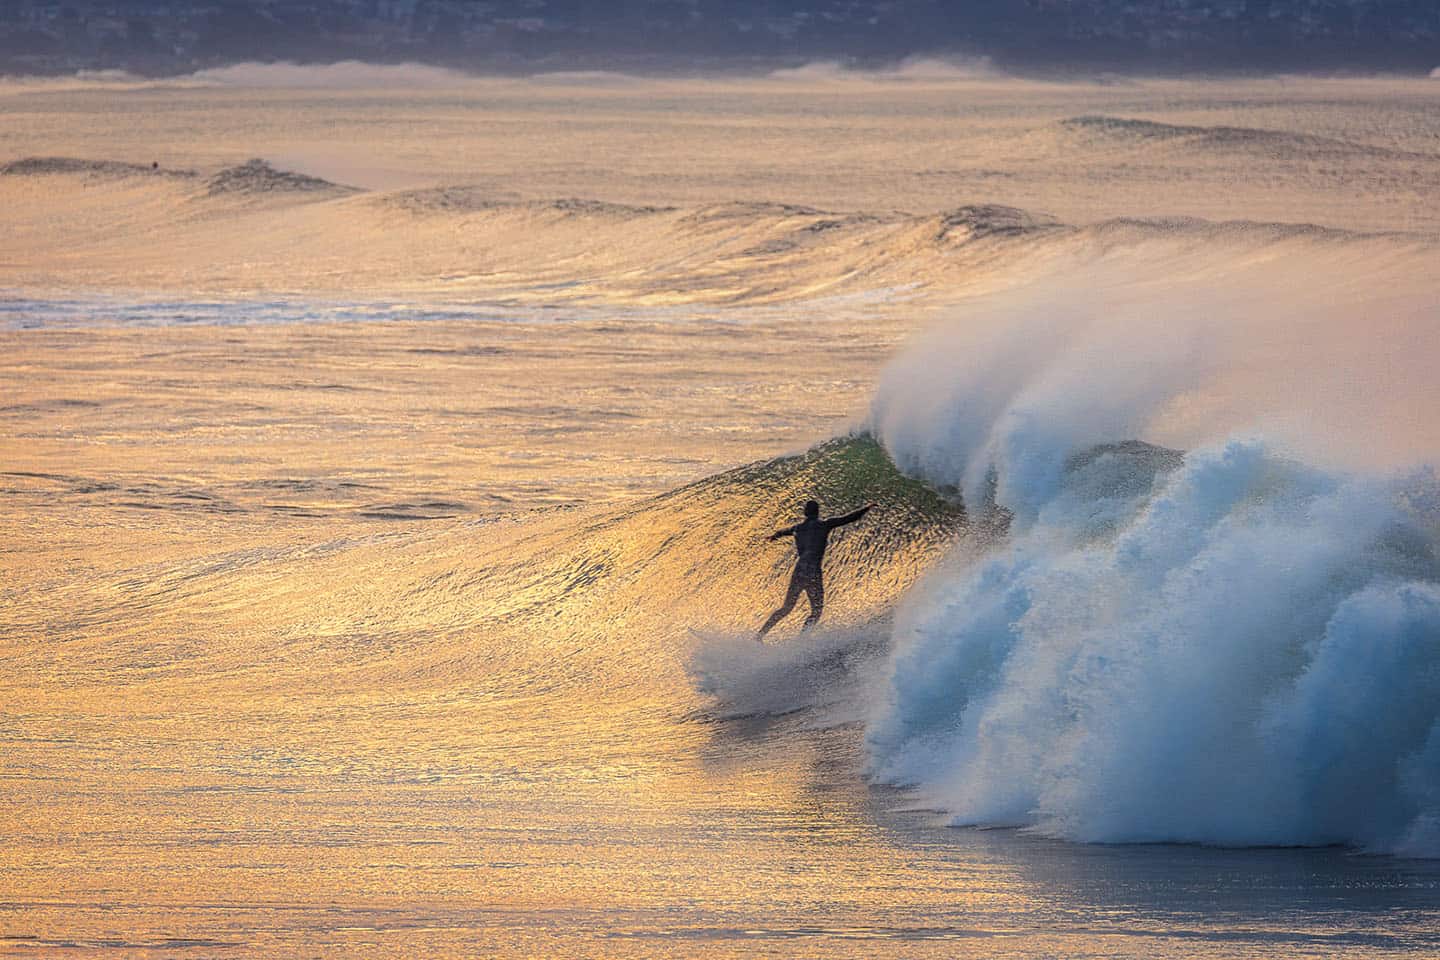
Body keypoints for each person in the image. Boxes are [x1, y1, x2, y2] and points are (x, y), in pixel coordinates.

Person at [756, 499, 876, 639]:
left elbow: (782, 532)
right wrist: (867, 508)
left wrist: (774, 536)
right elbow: (849, 518)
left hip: (799, 570)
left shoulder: (797, 528)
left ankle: (760, 635)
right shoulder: (824, 525)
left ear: (805, 513)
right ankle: (801, 640)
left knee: (786, 608)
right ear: (818, 512)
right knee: (816, 611)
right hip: (812, 571)